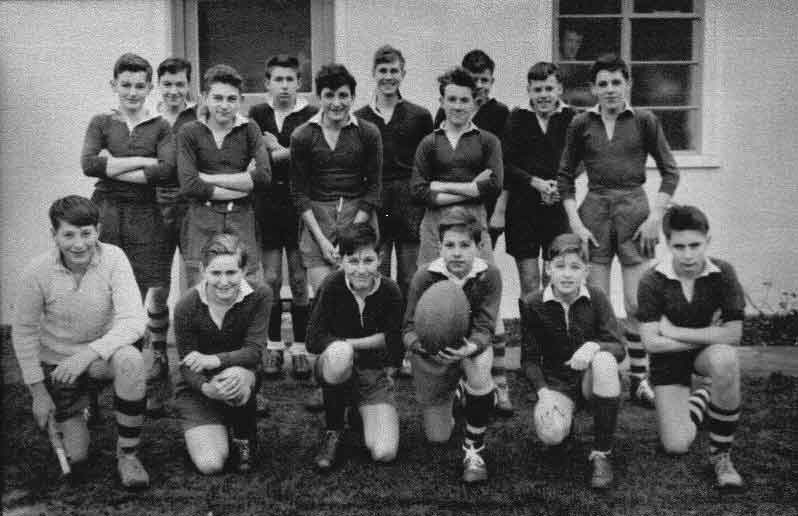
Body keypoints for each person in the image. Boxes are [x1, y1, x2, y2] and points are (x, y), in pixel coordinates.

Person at [557, 54, 681, 408]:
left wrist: (656, 216)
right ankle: (592, 379)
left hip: (635, 214)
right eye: (602, 83)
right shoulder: (581, 122)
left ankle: (640, 379)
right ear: (593, 88)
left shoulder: (644, 120)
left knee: (635, 302)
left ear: (628, 84)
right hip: (593, 212)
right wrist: (576, 223)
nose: (610, 89)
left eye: (616, 82)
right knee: (595, 301)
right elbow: (565, 177)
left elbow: (670, 172)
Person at [12, 196, 150, 488]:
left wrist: (86, 355)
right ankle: (83, 406)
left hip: (100, 356)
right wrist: (38, 392)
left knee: (132, 361)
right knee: (77, 457)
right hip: (59, 364)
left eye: (86, 233)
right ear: (54, 235)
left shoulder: (114, 257)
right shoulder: (36, 271)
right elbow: (23, 332)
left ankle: (128, 454)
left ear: (98, 230)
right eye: (68, 235)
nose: (79, 244)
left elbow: (134, 321)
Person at [412, 67, 513, 415]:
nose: (457, 106)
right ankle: (448, 385)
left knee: (487, 305)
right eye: (451, 99)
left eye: (464, 100)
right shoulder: (429, 142)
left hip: (474, 227)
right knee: (439, 305)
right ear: (441, 101)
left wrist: (444, 186)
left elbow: (494, 185)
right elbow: (419, 191)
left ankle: (497, 383)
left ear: (475, 102)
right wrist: (468, 188)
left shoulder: (488, 141)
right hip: (434, 228)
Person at [80, 53, 176, 415]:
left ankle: (132, 383)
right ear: (114, 86)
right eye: (126, 85)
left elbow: (166, 171)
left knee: (135, 300)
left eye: (140, 86)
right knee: (97, 299)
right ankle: (87, 392)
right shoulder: (102, 122)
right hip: (105, 212)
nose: (133, 92)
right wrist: (143, 162)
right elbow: (89, 164)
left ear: (150, 87)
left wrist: (111, 166)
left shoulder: (160, 127)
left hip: (144, 216)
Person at [290, 63, 382, 409]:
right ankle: (325, 377)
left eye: (343, 95)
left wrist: (351, 235)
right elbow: (298, 193)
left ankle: (358, 375)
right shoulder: (303, 136)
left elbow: (373, 188)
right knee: (326, 299)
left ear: (352, 96)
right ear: (319, 96)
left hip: (358, 217)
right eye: (329, 95)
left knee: (359, 295)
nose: (337, 103)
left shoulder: (368, 132)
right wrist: (324, 238)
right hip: (317, 218)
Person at [637, 205, 745, 489]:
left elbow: (733, 334)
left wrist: (674, 331)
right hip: (668, 361)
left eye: (695, 245)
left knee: (725, 359)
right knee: (676, 445)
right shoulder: (651, 280)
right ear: (668, 244)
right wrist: (710, 333)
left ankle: (721, 456)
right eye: (679, 246)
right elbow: (651, 342)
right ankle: (702, 398)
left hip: (702, 355)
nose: (687, 255)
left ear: (707, 241)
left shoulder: (723, 272)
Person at [403, 208, 502, 483]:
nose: (456, 253)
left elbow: (486, 326)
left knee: (480, 364)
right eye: (449, 245)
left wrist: (471, 347)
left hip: (469, 349)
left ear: (478, 247)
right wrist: (425, 347)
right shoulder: (425, 276)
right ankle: (456, 390)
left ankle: (474, 447)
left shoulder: (489, 275)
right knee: (438, 437)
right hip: (434, 355)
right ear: (439, 247)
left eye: (464, 245)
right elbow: (408, 329)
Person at [520, 233, 626, 489]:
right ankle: (564, 432)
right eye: (560, 266)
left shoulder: (597, 297)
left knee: (605, 361)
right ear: (548, 269)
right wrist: (544, 393)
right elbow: (529, 360)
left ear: (586, 271)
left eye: (575, 267)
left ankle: (602, 453)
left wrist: (593, 346)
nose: (567, 275)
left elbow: (619, 348)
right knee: (552, 433)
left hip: (591, 379)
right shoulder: (532, 303)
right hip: (558, 384)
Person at [354, 44, 433, 377]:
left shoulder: (419, 115)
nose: (388, 77)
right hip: (376, 201)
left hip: (410, 203)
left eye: (394, 71)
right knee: (379, 277)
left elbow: (427, 162)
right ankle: (382, 350)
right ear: (374, 74)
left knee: (410, 278)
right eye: (382, 71)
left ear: (403, 73)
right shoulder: (360, 117)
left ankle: (407, 350)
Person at [307, 223, 403, 471]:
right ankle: (334, 430)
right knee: (340, 354)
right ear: (342, 261)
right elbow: (313, 339)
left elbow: (394, 341)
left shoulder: (391, 291)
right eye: (353, 261)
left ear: (379, 259)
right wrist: (347, 347)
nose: (360, 269)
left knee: (384, 452)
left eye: (368, 260)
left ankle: (358, 413)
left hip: (372, 376)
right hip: (337, 366)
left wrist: (350, 343)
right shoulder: (332, 285)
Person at [173, 232, 271, 474]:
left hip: (239, 374)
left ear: (244, 270)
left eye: (231, 273)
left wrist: (214, 360)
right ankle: (214, 422)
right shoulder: (186, 305)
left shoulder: (260, 295)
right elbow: (186, 364)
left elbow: (254, 352)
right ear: (202, 270)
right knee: (211, 465)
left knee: (234, 375)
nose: (224, 282)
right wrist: (207, 388)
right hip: (199, 385)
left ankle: (244, 436)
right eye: (216, 273)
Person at [248, 54, 318, 381]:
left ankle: (301, 349)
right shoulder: (257, 114)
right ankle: (274, 346)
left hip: (300, 204)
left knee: (301, 280)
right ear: (267, 83)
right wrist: (289, 150)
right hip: (267, 204)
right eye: (278, 79)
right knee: (272, 278)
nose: (285, 86)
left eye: (290, 79)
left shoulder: (311, 115)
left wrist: (280, 148)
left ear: (299, 83)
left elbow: (311, 158)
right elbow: (259, 156)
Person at [177, 63, 271, 288]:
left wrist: (207, 178)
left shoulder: (250, 129)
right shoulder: (189, 132)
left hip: (242, 218)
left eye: (231, 99)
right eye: (217, 98)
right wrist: (243, 182)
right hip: (202, 219)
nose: (224, 106)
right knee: (201, 288)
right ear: (205, 98)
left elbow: (263, 177)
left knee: (249, 286)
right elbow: (190, 185)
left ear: (240, 100)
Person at [142, 57, 199, 415]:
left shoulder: (200, 118)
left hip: (193, 206)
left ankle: (195, 365)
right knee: (158, 286)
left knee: (196, 286)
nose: (174, 91)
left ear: (188, 86)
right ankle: (158, 359)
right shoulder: (149, 119)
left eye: (180, 84)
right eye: (168, 85)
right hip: (156, 207)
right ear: (158, 87)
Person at [503, 62, 575, 298]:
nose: (543, 95)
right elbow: (505, 163)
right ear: (529, 91)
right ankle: (531, 334)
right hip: (522, 209)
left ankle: (553, 332)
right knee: (530, 281)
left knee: (555, 276)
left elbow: (583, 159)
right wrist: (535, 183)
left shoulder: (571, 118)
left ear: (559, 90)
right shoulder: (516, 118)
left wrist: (559, 185)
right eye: (537, 89)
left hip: (558, 207)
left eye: (548, 88)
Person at [433, 50, 510, 248]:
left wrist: (499, 211)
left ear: (492, 81)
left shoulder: (500, 113)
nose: (480, 86)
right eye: (475, 80)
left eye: (485, 80)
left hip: (485, 200)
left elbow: (505, 164)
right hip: (451, 195)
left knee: (480, 255)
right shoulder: (446, 111)